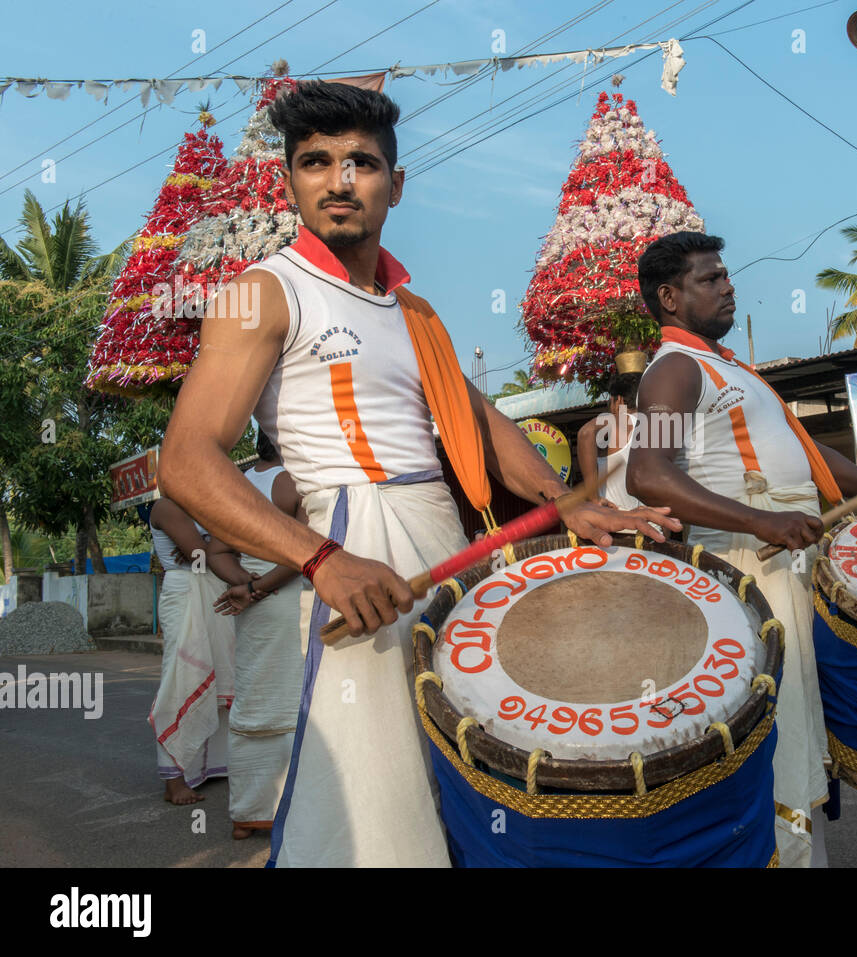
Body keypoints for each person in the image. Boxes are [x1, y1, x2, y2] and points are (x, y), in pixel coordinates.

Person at [158, 81, 676, 867]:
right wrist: (322, 559)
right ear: (291, 181)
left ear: (395, 185)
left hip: (443, 549)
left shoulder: (416, 311)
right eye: (316, 162)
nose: (339, 180)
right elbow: (186, 461)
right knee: (370, 804)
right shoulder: (264, 293)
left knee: (461, 780)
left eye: (361, 162)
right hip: (349, 548)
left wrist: (567, 502)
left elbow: (477, 422)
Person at [626, 231, 857, 868]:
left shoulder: (730, 368)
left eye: (726, 275)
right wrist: (760, 521)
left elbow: (809, 454)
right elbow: (648, 474)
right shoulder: (673, 369)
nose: (728, 287)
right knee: (779, 734)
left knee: (801, 732)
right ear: (668, 297)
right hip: (746, 570)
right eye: (710, 279)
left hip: (781, 560)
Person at [213, 430, 307, 839]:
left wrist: (243, 585)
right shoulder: (295, 482)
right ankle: (292, 809)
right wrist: (259, 587)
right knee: (292, 701)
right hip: (286, 603)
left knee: (252, 698)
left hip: (249, 609)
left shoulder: (237, 484)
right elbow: (306, 553)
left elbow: (216, 551)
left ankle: (246, 815)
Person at [147, 496, 249, 805]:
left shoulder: (207, 503)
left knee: (223, 676)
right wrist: (223, 544)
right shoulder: (166, 507)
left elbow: (209, 552)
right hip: (187, 593)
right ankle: (173, 780)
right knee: (181, 681)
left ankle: (209, 767)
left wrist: (214, 545)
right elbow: (200, 556)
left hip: (216, 590)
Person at [576, 357, 646, 513]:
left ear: (618, 400)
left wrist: (593, 498)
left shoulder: (622, 420)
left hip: (620, 526)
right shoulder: (655, 424)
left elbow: (585, 433)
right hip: (651, 525)